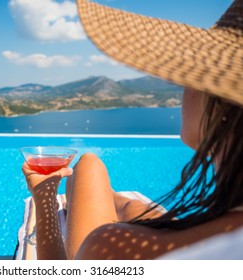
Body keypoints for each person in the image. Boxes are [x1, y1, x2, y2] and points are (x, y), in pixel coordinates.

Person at [21, 0, 243, 260]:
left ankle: (110, 200)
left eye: (193, 76)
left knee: (88, 166)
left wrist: (45, 199)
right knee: (119, 193)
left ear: (221, 106)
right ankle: (116, 200)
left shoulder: (110, 247)